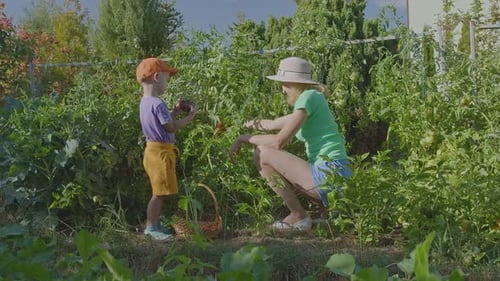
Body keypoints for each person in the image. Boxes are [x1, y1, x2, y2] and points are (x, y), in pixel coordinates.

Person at [229, 57, 352, 231]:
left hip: (329, 173)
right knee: (267, 150)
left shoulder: (307, 98)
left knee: (262, 153)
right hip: (338, 173)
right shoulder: (313, 98)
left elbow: (278, 142)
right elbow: (273, 123)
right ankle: (327, 214)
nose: (283, 90)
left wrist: (244, 138)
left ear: (293, 83)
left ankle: (298, 216)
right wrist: (250, 124)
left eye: (284, 85)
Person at [136, 57, 196, 241]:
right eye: (166, 78)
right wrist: (190, 117)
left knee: (159, 191)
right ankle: (151, 228)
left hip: (151, 151)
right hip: (161, 153)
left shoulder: (145, 102)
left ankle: (154, 224)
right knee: (159, 193)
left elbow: (163, 122)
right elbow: (169, 127)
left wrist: (176, 112)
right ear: (156, 77)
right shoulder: (158, 103)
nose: (167, 83)